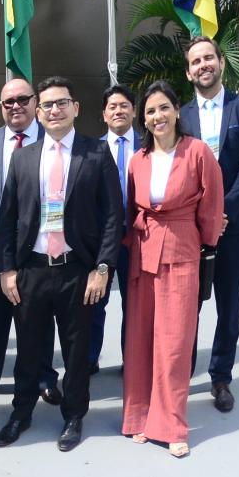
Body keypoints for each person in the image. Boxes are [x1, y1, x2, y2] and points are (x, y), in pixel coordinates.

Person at [0, 76, 123, 453]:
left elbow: (113, 217)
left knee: (76, 351)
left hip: (77, 271)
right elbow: (7, 220)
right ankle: (21, 413)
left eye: (61, 103)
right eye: (47, 104)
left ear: (75, 108)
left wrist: (102, 269)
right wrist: (6, 270)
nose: (54, 110)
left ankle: (74, 415)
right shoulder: (23, 158)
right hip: (31, 271)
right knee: (29, 351)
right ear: (38, 110)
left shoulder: (96, 154)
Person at [123, 81, 225, 458]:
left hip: (182, 250)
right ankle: (140, 416)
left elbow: (212, 205)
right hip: (144, 250)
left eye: (164, 107)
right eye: (150, 111)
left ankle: (171, 424)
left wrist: (206, 243)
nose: (157, 116)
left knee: (175, 342)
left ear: (177, 111)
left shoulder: (197, 152)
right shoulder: (139, 159)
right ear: (143, 119)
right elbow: (132, 210)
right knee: (142, 338)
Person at [181, 37, 239, 413]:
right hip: (192, 228)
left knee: (229, 308)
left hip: (234, 225)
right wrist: (203, 214)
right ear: (188, 71)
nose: (203, 65)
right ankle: (181, 377)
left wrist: (223, 209)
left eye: (208, 58)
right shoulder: (181, 117)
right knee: (188, 306)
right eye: (196, 61)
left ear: (221, 63)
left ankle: (220, 378)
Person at [0, 77, 57, 399]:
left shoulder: (52, 140)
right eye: (9, 102)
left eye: (23, 99)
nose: (16, 106)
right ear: (1, 107)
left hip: (39, 244)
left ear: (35, 103)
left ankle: (44, 377)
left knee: (38, 314)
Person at [90, 84, 139, 375]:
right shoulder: (92, 150)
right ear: (104, 115)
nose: (118, 111)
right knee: (95, 303)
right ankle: (90, 358)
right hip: (102, 240)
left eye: (124, 105)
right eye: (112, 107)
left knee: (134, 306)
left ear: (133, 111)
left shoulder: (149, 145)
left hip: (137, 238)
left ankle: (131, 359)